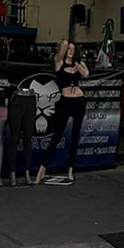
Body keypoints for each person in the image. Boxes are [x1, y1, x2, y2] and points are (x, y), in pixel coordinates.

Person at [36, 39, 89, 184]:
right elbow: (63, 47)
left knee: (75, 134)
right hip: (65, 101)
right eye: (68, 49)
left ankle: (70, 169)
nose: (70, 51)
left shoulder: (78, 63)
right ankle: (43, 168)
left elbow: (86, 74)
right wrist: (65, 44)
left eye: (73, 49)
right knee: (57, 134)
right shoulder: (59, 62)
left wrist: (77, 65)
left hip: (79, 101)